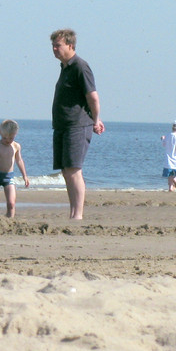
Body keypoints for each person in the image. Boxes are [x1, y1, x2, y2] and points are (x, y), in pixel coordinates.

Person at [50, 29, 104, 220]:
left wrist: (96, 120)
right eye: (53, 46)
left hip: (77, 125)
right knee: (66, 171)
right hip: (62, 125)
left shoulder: (80, 66)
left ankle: (78, 215)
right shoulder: (65, 67)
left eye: (58, 45)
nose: (54, 49)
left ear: (70, 45)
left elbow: (93, 98)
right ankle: (73, 212)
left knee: (74, 169)